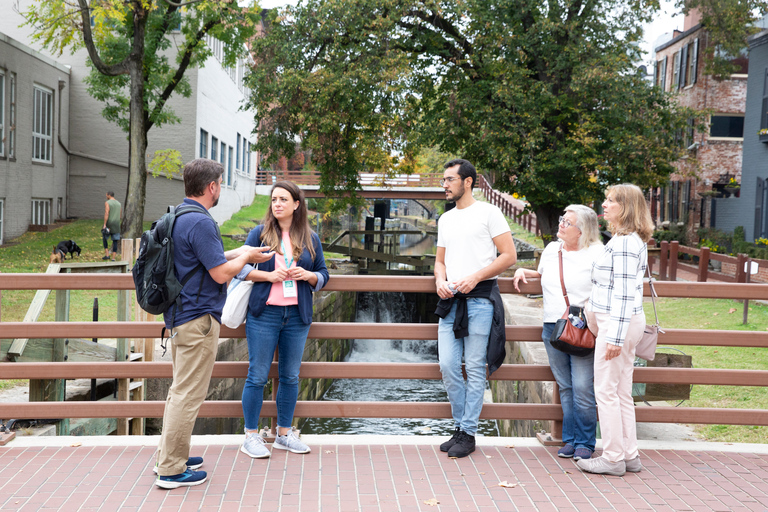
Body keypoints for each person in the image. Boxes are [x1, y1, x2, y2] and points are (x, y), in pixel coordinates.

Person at [155, 159, 274, 489]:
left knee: (179, 391)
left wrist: (244, 249)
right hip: (198, 320)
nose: (220, 188)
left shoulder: (179, 215)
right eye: (220, 183)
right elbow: (221, 272)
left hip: (179, 316)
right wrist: (248, 258)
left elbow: (211, 258)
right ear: (212, 187)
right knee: (188, 395)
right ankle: (171, 469)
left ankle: (169, 455)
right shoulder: (203, 222)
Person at [238, 180, 328, 459]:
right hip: (265, 314)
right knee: (257, 375)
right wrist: (268, 276)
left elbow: (324, 274)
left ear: (296, 205)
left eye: (283, 200)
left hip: (297, 316)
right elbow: (238, 269)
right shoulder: (259, 234)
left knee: (290, 376)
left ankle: (284, 434)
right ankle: (251, 436)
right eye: (274, 199)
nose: (277, 204)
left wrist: (310, 277)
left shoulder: (311, 239)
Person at [434, 159, 517, 458]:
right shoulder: (446, 219)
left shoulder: (489, 213)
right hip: (450, 300)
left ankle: (467, 433)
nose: (444, 185)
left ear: (467, 182)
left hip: (480, 299)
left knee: (474, 366)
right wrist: (440, 280)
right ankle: (461, 426)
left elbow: (509, 255)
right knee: (447, 365)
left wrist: (476, 276)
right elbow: (440, 260)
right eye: (443, 180)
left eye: (449, 179)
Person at [513, 205, 603, 461]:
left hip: (581, 327)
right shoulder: (553, 250)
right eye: (562, 219)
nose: (561, 224)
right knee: (565, 386)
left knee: (583, 387)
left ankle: (586, 442)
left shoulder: (597, 253)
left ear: (582, 231)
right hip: (553, 327)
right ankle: (571, 440)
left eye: (568, 222)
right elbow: (543, 276)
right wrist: (523, 271)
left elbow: (606, 287)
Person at [577, 184, 653, 477]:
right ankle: (628, 454)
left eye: (611, 201)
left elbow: (623, 294)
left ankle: (611, 457)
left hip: (616, 324)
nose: (604, 205)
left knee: (605, 391)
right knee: (621, 392)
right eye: (606, 200)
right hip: (625, 322)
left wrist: (614, 338)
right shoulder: (630, 240)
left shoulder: (623, 244)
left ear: (626, 207)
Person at [102, 191, 121, 260]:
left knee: (105, 238)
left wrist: (104, 224)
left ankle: (107, 255)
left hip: (109, 223)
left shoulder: (107, 203)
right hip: (116, 224)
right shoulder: (119, 203)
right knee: (115, 241)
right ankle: (113, 258)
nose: (106, 196)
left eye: (106, 195)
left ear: (109, 195)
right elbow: (120, 214)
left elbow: (107, 213)